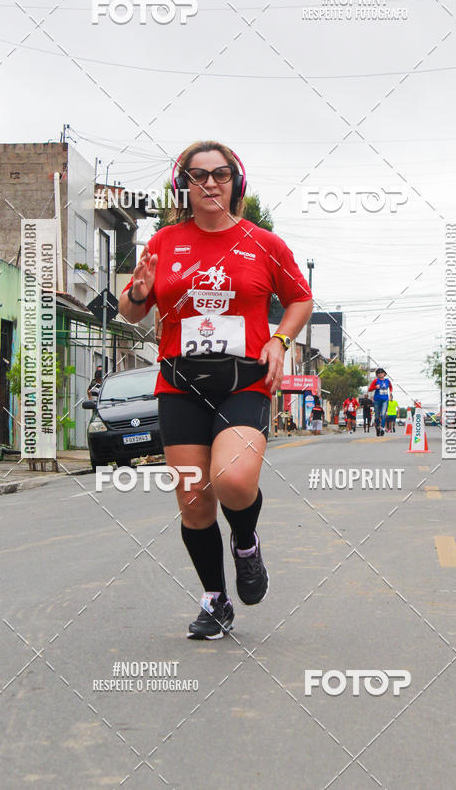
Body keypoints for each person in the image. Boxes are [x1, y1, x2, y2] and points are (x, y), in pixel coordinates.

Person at [119, 140, 313, 640]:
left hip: (243, 381)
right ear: (184, 186)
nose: (209, 183)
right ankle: (216, 598)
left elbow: (300, 299)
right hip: (180, 384)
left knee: (231, 480)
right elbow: (132, 310)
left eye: (220, 174)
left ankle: (245, 543)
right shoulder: (163, 243)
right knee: (195, 500)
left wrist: (279, 339)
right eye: (198, 175)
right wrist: (138, 292)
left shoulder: (263, 243)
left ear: (236, 182)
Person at [368, 368, 393, 437]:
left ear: (384, 374)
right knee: (377, 416)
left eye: (382, 373)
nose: (380, 374)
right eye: (378, 373)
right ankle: (377, 428)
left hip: (385, 400)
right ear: (377, 375)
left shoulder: (387, 381)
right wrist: (375, 387)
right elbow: (369, 389)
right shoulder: (376, 381)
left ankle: (382, 427)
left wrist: (390, 393)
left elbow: (391, 387)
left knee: (383, 414)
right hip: (377, 400)